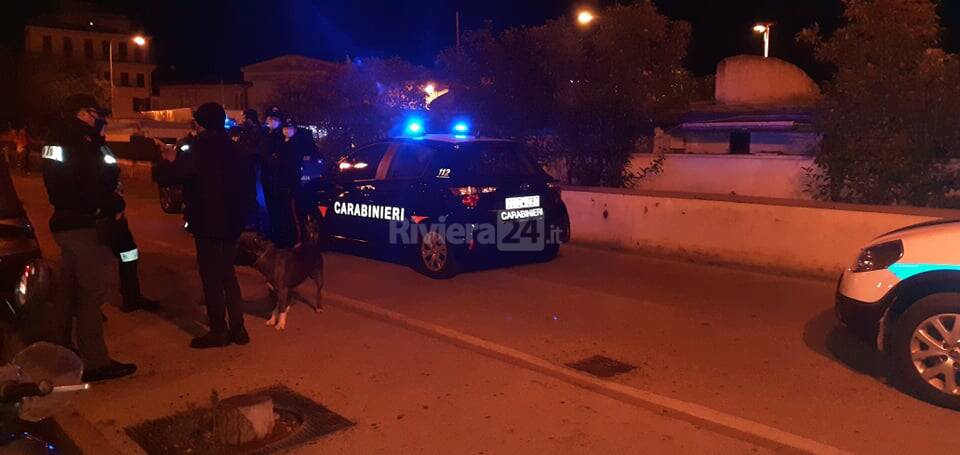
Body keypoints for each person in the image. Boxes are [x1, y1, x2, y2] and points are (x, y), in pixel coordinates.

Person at [42, 94, 136, 382]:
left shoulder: (55, 138)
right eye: (98, 114)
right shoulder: (82, 142)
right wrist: (114, 205)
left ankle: (59, 352)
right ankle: (95, 362)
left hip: (64, 223)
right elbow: (90, 185)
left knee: (67, 293)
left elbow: (58, 182)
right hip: (85, 224)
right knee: (90, 296)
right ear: (83, 113)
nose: (102, 120)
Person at [156, 103, 256, 349]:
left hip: (207, 222)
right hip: (232, 222)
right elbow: (249, 186)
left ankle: (219, 331)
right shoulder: (236, 148)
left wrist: (166, 160)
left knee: (211, 277)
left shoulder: (196, 149)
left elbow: (170, 177)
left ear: (201, 123)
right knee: (228, 275)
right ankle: (238, 329)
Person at [261, 118, 304, 249]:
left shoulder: (296, 144)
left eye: (290, 128)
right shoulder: (280, 143)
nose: (287, 131)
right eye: (285, 128)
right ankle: (281, 239)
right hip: (279, 183)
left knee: (291, 214)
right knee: (280, 213)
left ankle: (294, 240)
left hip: (290, 184)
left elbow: (291, 164)